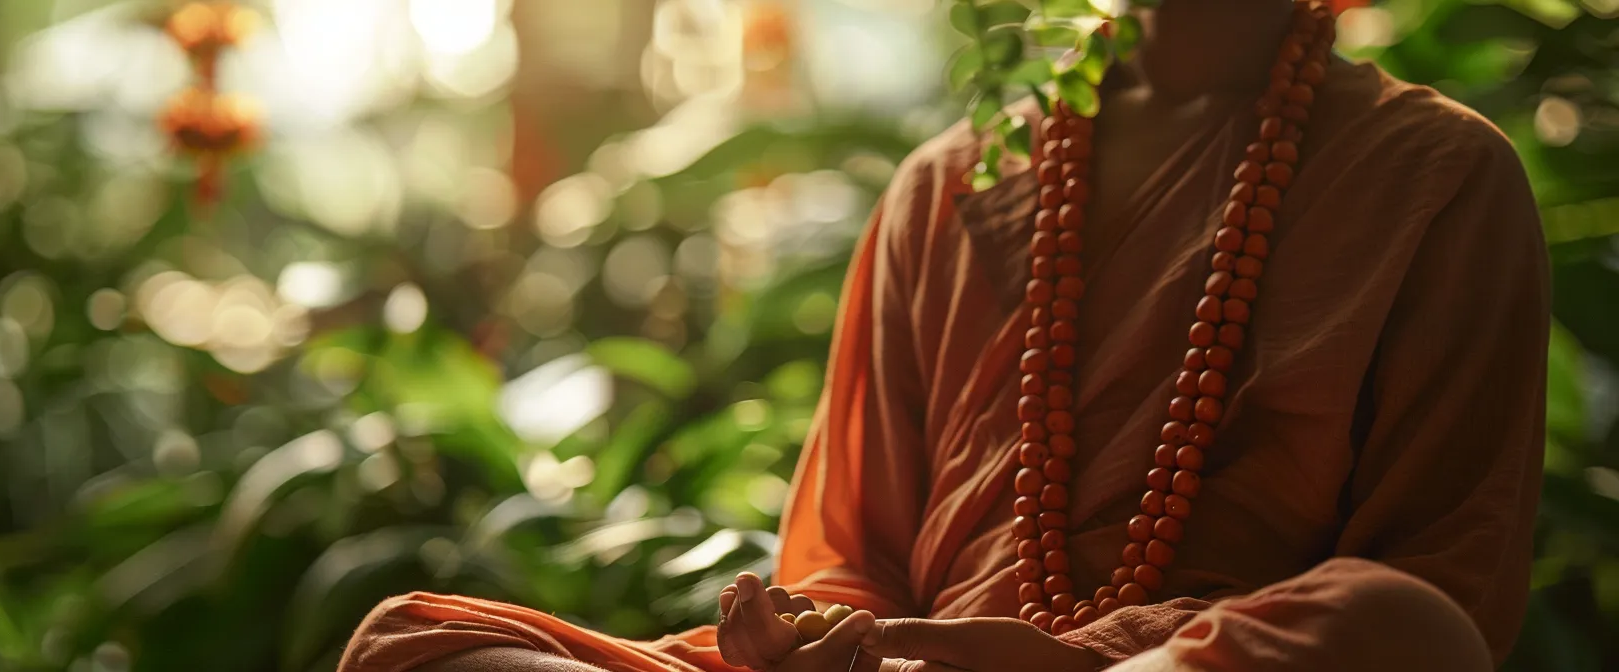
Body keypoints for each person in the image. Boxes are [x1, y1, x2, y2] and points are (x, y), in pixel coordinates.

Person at [337, 0, 1547, 670]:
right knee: (417, 652)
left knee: (1393, 635)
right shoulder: (954, 184)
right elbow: (850, 554)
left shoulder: (1437, 177)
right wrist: (830, 642)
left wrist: (1071, 662)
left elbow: (1438, 593)